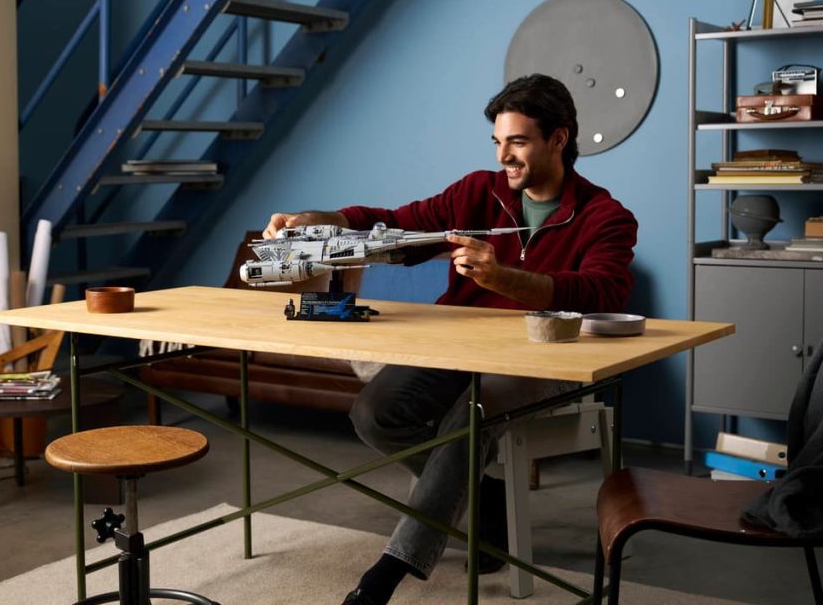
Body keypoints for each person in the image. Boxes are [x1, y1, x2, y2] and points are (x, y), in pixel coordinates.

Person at [261, 74, 638, 605]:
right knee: (375, 412)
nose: (504, 155)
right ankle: (484, 504)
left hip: (545, 359)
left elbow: (603, 291)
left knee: (472, 414)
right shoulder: (476, 193)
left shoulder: (605, 216)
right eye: (498, 142)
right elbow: (396, 225)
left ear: (559, 138)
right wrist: (320, 221)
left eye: (519, 142)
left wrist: (504, 278)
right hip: (459, 346)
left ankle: (385, 576)